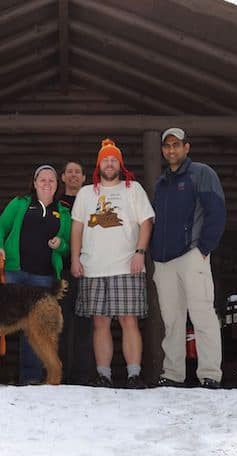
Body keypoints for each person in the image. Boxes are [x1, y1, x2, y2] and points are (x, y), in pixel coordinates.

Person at [70, 139, 154, 389]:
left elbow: (146, 222)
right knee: (100, 322)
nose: (109, 163)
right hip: (93, 266)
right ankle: (103, 375)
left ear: (120, 164)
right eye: (105, 159)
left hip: (127, 265)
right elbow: (77, 228)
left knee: (129, 320)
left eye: (113, 159)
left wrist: (140, 251)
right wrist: (75, 258)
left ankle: (133, 374)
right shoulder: (86, 193)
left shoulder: (133, 188)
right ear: (99, 165)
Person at [150, 128, 226, 389]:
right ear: (163, 150)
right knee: (172, 320)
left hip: (192, 255)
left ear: (186, 147)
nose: (171, 150)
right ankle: (173, 374)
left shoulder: (201, 173)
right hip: (163, 261)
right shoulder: (160, 184)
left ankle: (210, 374)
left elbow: (216, 212)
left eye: (176, 145)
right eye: (167, 146)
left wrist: (203, 248)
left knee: (202, 314)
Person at [0, 164, 71, 385]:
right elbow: (0, 228)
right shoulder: (20, 203)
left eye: (51, 180)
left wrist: (60, 244)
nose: (47, 183)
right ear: (34, 183)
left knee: (36, 329)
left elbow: (68, 247)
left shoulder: (63, 212)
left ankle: (32, 377)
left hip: (43, 279)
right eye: (42, 179)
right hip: (13, 273)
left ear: (57, 185)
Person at [57, 161, 94, 385]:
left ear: (84, 178)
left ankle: (82, 376)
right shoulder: (55, 203)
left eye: (77, 172)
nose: (73, 175)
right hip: (60, 269)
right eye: (69, 172)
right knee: (61, 322)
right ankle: (60, 373)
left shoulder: (91, 202)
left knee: (84, 323)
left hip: (88, 268)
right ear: (62, 177)